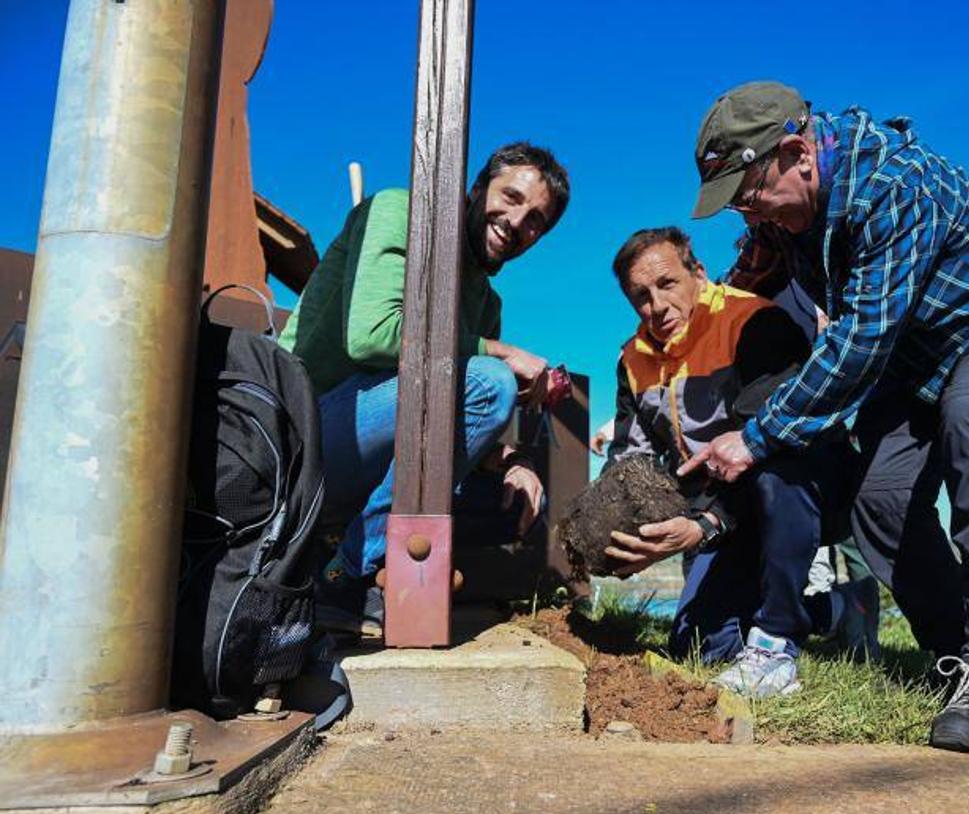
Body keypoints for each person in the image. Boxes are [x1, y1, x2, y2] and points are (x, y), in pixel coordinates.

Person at [684, 82, 969, 753]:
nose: (749, 214)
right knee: (881, 497)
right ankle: (961, 657)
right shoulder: (793, 212)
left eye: (750, 195)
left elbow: (862, 340)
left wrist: (756, 438)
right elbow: (763, 285)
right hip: (917, 356)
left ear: (797, 152)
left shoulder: (893, 185)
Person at [280, 142, 570, 636]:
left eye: (537, 220)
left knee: (514, 509)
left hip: (377, 453)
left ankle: (346, 556)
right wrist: (501, 352)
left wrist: (510, 462)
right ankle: (346, 574)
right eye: (511, 197)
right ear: (477, 188)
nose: (518, 221)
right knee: (490, 380)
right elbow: (372, 335)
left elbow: (453, 418)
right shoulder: (402, 211)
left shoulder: (486, 301)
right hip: (306, 434)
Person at [603, 226, 871, 698]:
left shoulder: (756, 323)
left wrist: (705, 524)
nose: (656, 306)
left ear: (698, 274)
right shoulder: (631, 359)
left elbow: (774, 445)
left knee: (773, 471)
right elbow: (629, 457)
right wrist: (614, 529)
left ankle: (776, 644)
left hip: (800, 488)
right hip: (721, 509)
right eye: (640, 296)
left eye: (667, 284)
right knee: (702, 646)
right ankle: (840, 609)